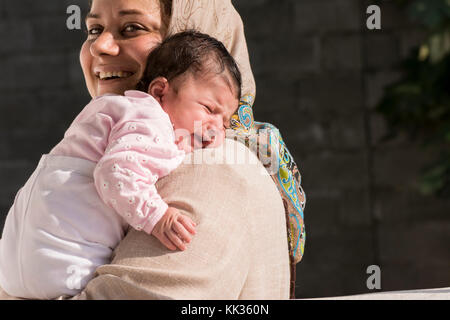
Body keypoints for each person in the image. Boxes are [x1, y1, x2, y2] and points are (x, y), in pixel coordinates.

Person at [0, 0, 305, 299]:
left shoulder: (212, 167)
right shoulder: (141, 141)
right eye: (94, 29)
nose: (99, 46)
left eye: (132, 27)